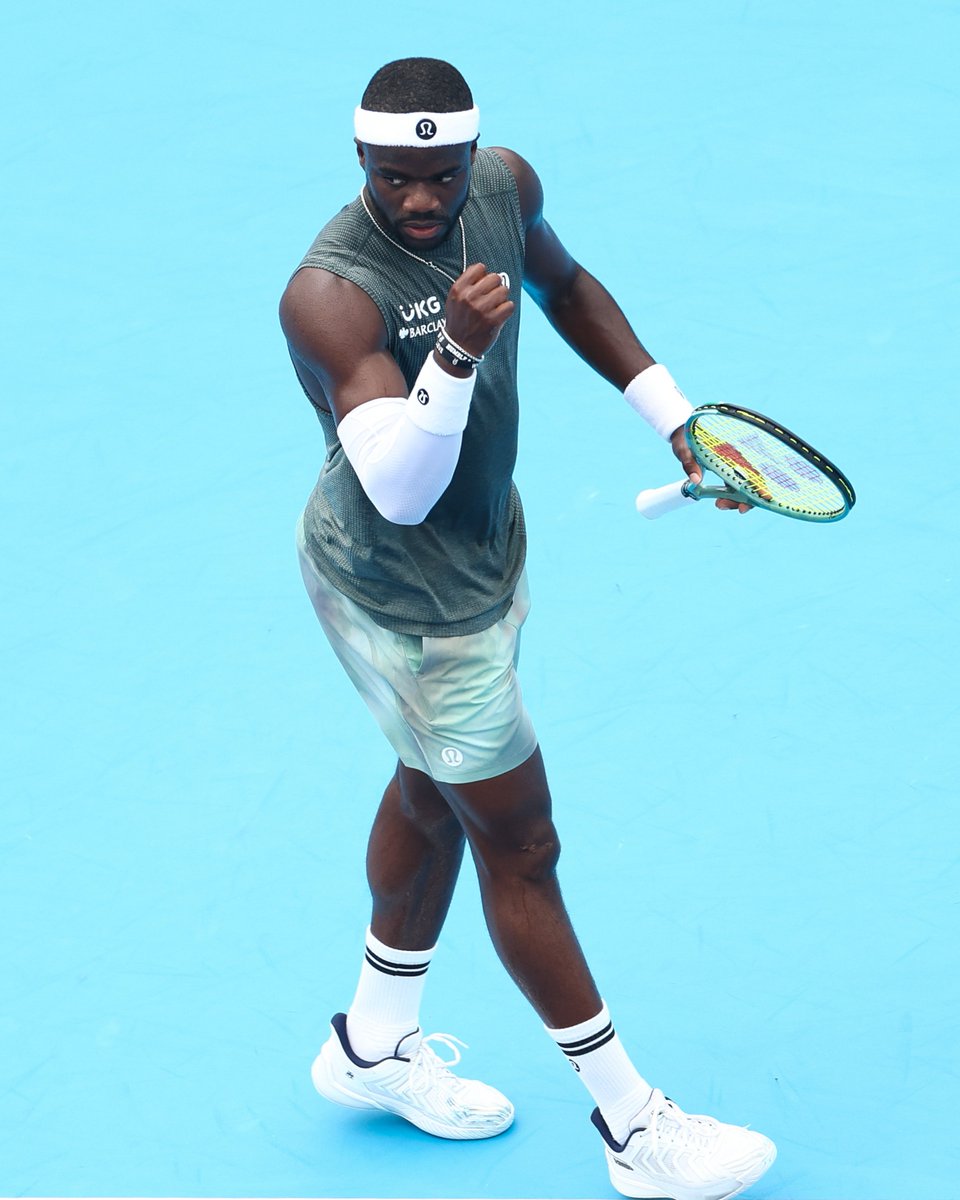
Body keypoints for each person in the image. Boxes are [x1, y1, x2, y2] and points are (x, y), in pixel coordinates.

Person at [279, 57, 774, 1200]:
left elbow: (566, 283)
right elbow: (399, 489)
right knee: (520, 841)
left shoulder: (502, 186)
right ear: (360, 159)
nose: (420, 199)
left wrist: (681, 425)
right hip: (403, 592)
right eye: (395, 178)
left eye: (438, 174)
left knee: (431, 789)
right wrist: (451, 352)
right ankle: (634, 1128)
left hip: (485, 553)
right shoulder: (329, 291)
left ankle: (370, 1048)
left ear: (470, 156)